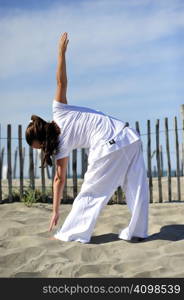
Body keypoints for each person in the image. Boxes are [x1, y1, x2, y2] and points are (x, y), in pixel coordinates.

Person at [25, 32, 149, 244]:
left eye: (39, 147)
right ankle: (137, 232)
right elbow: (61, 83)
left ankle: (71, 234)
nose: (41, 150)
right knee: (136, 185)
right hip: (129, 136)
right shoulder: (59, 112)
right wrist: (61, 53)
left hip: (108, 145)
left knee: (91, 193)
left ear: (43, 140)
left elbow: (58, 179)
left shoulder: (60, 140)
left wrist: (55, 211)